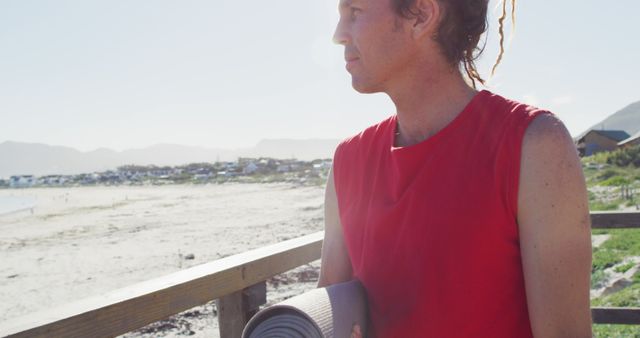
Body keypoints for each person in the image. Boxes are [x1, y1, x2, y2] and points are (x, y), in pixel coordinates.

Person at [317, 0, 593, 337]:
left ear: (421, 14)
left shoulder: (535, 145)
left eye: (354, 12)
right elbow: (327, 317)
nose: (338, 35)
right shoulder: (349, 161)